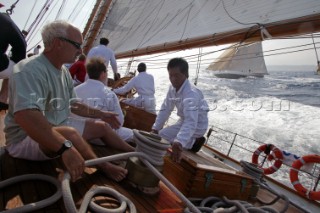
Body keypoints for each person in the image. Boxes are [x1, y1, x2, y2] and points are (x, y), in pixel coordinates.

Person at [4, 20, 135, 182]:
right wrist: (65, 147)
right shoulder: (29, 69)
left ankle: (135, 154)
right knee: (69, 133)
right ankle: (105, 167)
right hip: (25, 139)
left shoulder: (63, 72)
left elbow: (73, 104)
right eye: (76, 45)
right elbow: (26, 117)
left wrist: (101, 114)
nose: (80, 51)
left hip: (57, 127)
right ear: (58, 43)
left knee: (102, 126)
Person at [151, 58, 209, 163]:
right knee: (160, 136)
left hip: (197, 125)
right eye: (170, 75)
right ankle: (190, 141)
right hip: (183, 121)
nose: (173, 79)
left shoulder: (191, 93)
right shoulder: (172, 89)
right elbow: (166, 109)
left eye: (176, 75)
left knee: (174, 143)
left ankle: (195, 141)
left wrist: (180, 141)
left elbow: (191, 121)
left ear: (185, 74)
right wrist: (155, 128)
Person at [73, 57, 133, 142]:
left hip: (80, 134)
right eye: (107, 72)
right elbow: (119, 123)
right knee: (133, 134)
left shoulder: (75, 90)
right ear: (103, 74)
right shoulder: (109, 94)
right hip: (100, 139)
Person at [0, 11, 27, 110]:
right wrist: (16, 62)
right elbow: (21, 44)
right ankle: (2, 99)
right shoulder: (5, 19)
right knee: (15, 69)